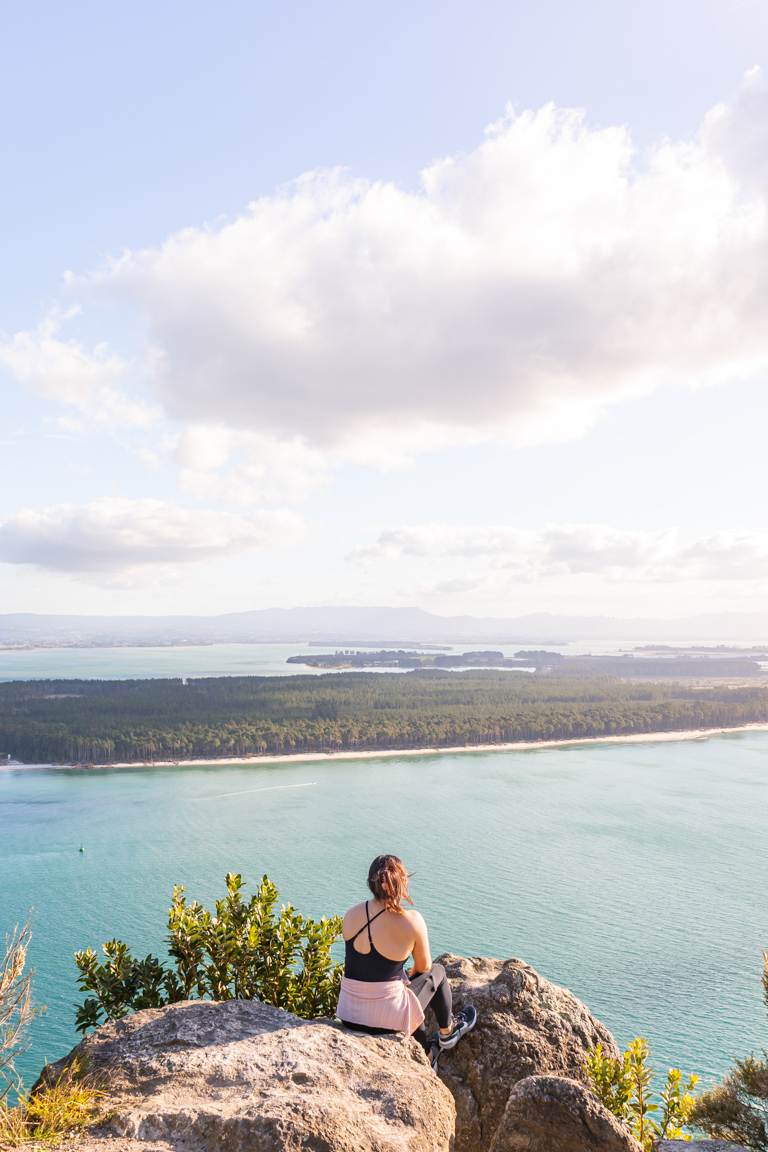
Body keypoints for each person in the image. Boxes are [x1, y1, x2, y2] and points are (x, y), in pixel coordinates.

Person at [337, 854, 477, 1067]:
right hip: (386, 1021)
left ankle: (428, 1051)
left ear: (370, 883)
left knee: (403, 997)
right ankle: (448, 1032)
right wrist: (407, 976)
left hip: (348, 1014)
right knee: (437, 971)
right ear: (401, 883)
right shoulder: (411, 921)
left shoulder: (351, 914)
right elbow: (424, 967)